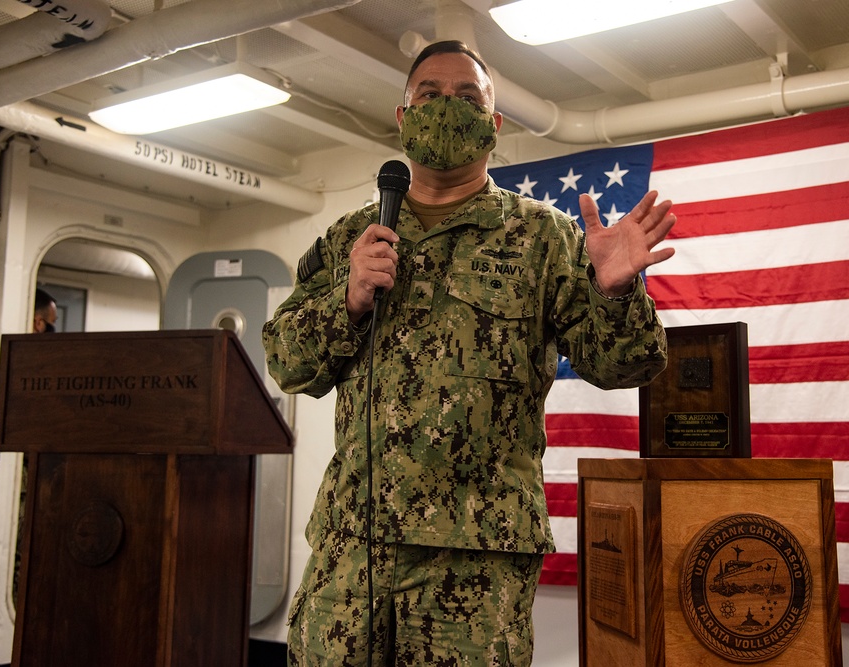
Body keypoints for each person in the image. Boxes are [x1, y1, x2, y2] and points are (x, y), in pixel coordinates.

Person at [263, 40, 675, 666]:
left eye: (467, 97)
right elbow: (287, 363)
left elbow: (624, 366)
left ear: (494, 123)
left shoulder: (543, 236)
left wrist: (615, 294)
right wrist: (346, 300)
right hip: (353, 548)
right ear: (403, 118)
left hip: (477, 561)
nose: (446, 108)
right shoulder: (351, 236)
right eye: (429, 95)